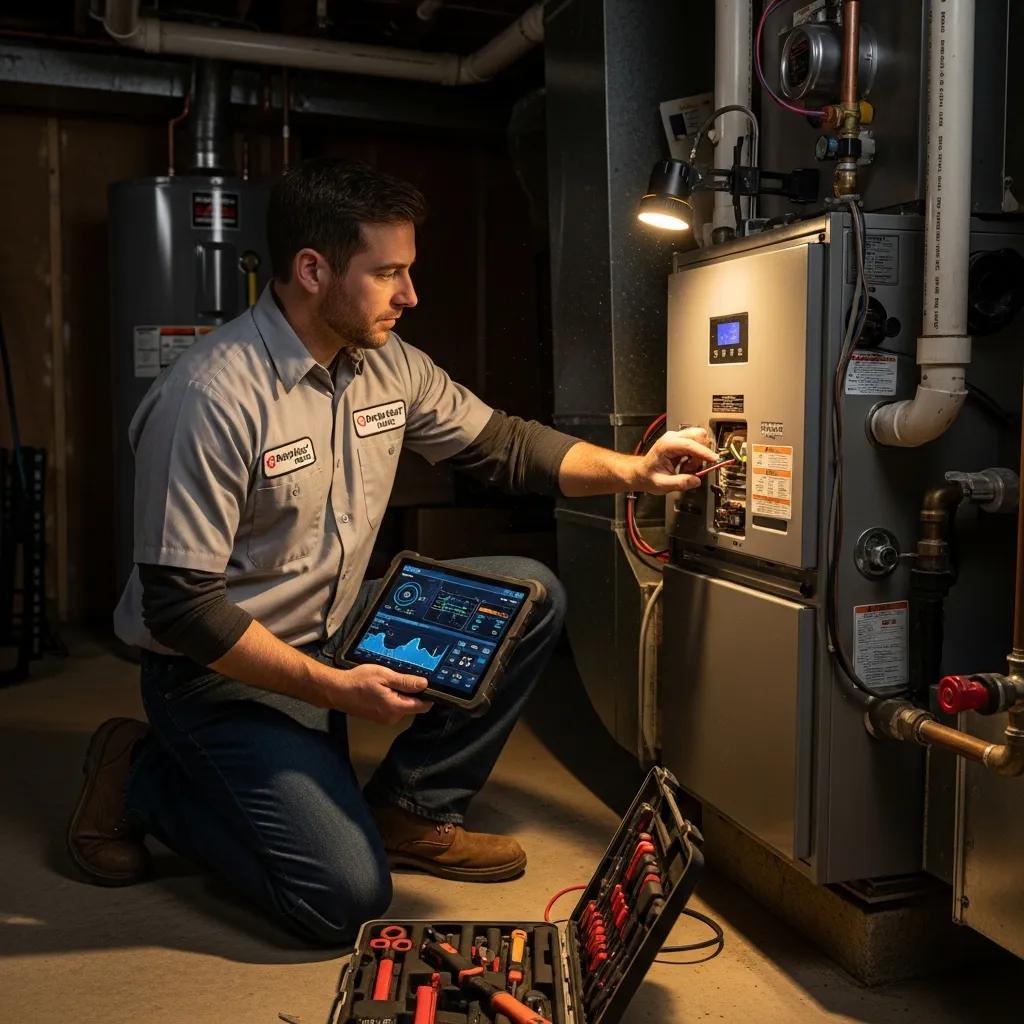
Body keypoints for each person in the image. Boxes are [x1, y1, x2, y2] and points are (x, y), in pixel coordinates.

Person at [67, 159, 717, 945]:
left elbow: (504, 447)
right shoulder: (212, 396)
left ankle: (414, 804)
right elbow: (182, 608)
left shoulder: (387, 363)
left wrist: (635, 471)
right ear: (313, 270)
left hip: (335, 624)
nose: (410, 296)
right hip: (214, 672)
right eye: (389, 274)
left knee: (526, 595)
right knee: (343, 898)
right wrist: (338, 692)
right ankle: (141, 773)